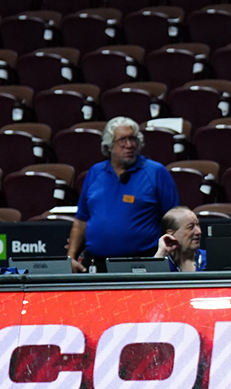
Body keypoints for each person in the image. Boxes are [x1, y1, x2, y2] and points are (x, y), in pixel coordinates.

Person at [67, 117, 180, 273]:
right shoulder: (95, 172)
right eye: (122, 140)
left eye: (133, 139)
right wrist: (71, 257)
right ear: (109, 145)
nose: (129, 145)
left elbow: (174, 220)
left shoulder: (155, 172)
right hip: (97, 265)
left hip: (142, 264)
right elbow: (81, 221)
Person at [154, 206, 207, 271]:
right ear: (171, 234)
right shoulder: (160, 260)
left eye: (198, 225)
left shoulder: (211, 258)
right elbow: (151, 276)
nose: (199, 231)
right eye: (190, 227)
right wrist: (161, 253)